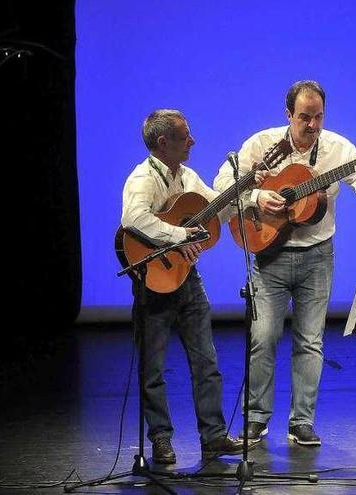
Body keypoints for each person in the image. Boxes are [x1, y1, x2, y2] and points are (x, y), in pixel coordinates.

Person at [214, 80, 356, 446]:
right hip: (269, 253)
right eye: (304, 117)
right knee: (264, 337)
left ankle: (301, 422)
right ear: (288, 114)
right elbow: (222, 182)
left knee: (310, 341)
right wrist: (258, 196)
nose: (312, 125)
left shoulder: (339, 148)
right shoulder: (261, 144)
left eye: (318, 117)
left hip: (317, 256)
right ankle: (256, 419)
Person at [121, 109, 247, 464]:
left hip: (187, 278)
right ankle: (160, 438)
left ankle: (214, 436)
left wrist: (246, 191)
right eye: (185, 136)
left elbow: (214, 211)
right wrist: (179, 235)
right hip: (153, 280)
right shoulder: (142, 178)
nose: (192, 141)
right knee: (153, 368)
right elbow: (134, 219)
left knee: (206, 360)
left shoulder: (187, 176)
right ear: (164, 143)